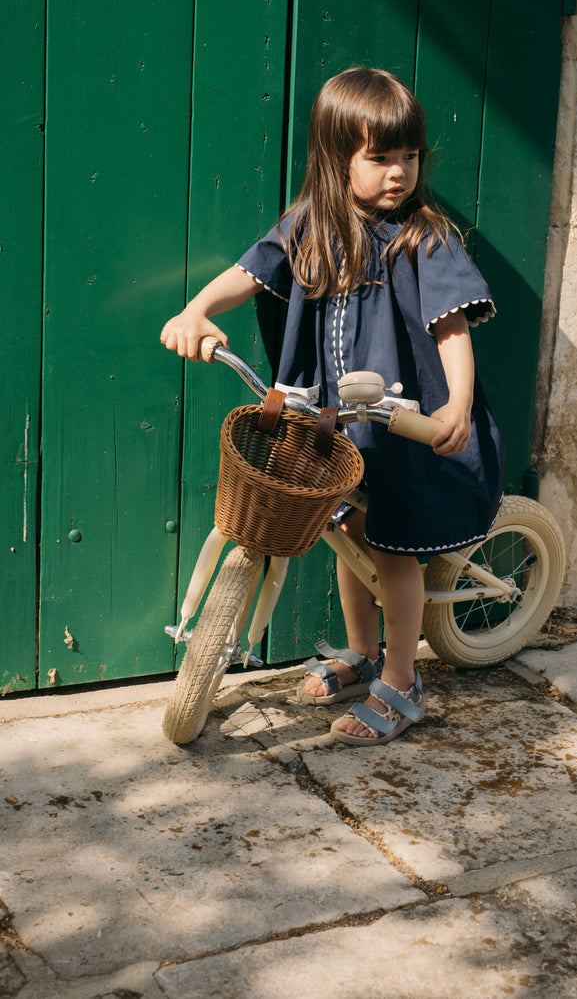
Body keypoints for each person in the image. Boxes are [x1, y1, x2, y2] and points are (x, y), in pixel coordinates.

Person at [161, 67, 503, 746]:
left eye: (408, 156)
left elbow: (452, 327)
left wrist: (459, 402)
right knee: (346, 536)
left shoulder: (424, 237)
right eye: (380, 158)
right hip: (332, 425)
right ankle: (362, 651)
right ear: (336, 157)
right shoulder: (313, 224)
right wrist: (197, 308)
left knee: (393, 552)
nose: (398, 173)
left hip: (404, 426)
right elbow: (250, 271)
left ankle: (403, 680)